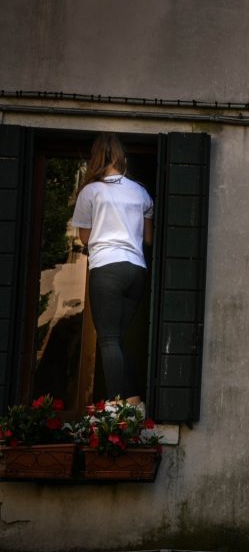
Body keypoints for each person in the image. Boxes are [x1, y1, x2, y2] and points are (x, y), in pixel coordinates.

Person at [71, 133, 153, 409]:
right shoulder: (141, 192)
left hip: (107, 267)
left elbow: (84, 238)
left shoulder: (91, 192)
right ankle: (133, 399)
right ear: (121, 158)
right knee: (116, 340)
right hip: (136, 270)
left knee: (107, 340)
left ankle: (121, 409)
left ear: (96, 158)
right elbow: (148, 238)